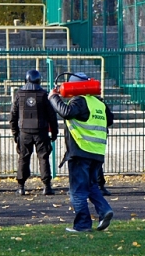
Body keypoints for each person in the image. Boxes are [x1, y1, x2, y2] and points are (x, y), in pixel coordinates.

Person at [48, 72, 115, 232]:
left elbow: (66, 112)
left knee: (77, 191)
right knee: (91, 186)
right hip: (97, 153)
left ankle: (82, 225)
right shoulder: (99, 103)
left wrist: (53, 98)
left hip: (80, 151)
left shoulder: (79, 101)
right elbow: (110, 119)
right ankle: (104, 210)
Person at [10, 70, 59, 196]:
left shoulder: (19, 94)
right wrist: (54, 132)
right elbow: (52, 116)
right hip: (41, 131)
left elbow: (13, 115)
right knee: (43, 157)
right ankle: (47, 186)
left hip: (24, 131)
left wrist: (15, 133)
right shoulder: (43, 94)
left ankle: (21, 187)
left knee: (23, 157)